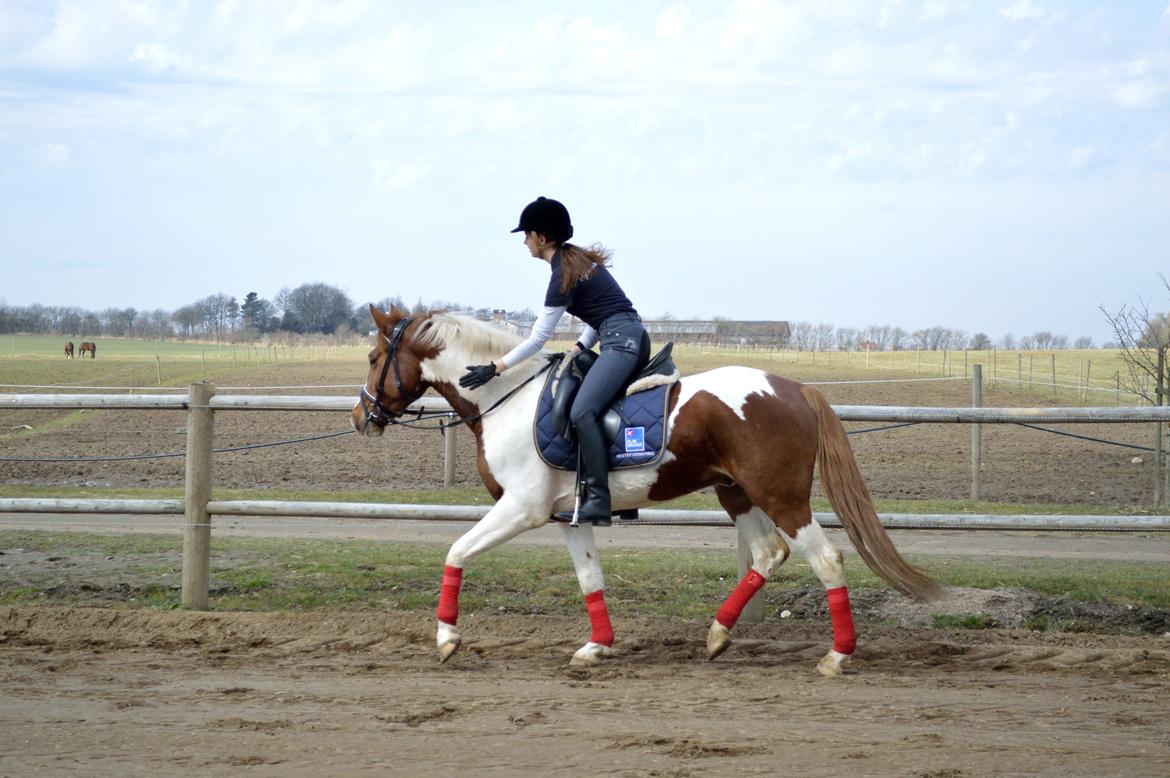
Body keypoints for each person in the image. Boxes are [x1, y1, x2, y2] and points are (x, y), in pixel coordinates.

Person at [459, 196, 650, 526]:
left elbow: (537, 339)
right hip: (624, 337)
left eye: (527, 235)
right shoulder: (578, 262)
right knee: (589, 401)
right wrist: (578, 347)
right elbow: (602, 314)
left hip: (622, 344)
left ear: (542, 238)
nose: (524, 241)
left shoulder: (563, 272)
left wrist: (496, 368)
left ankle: (601, 501)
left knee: (582, 412)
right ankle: (622, 492)